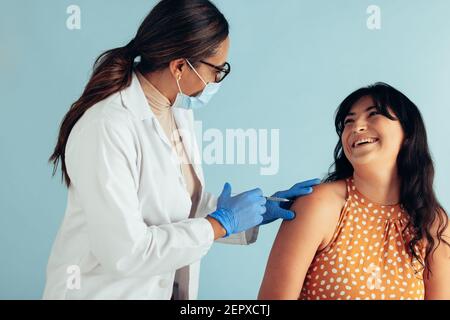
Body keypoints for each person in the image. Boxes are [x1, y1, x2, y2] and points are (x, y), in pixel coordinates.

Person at [44, 0, 319, 299]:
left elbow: (172, 208)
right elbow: (125, 252)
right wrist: (219, 224)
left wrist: (257, 210)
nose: (217, 79)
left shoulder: (176, 114)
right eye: (217, 69)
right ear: (179, 66)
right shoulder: (107, 126)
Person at [258, 83, 450, 300]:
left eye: (374, 114)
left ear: (408, 133)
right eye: (348, 121)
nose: (356, 126)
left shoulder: (433, 222)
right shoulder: (318, 205)